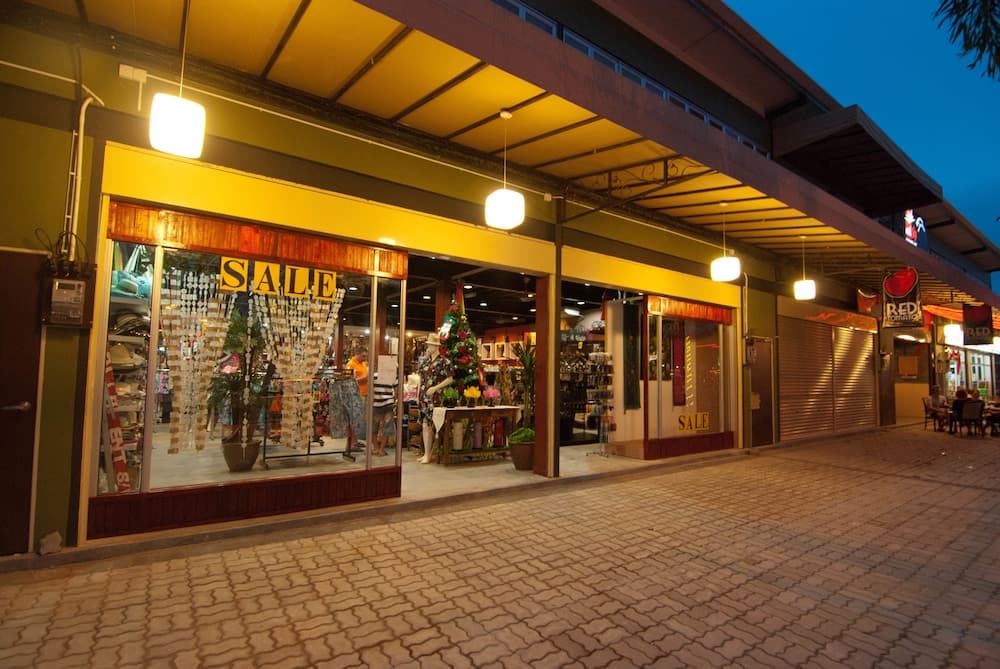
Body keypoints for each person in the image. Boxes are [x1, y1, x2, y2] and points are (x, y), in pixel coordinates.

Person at [416, 333, 454, 464]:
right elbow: (421, 378)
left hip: (436, 397)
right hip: (424, 396)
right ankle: (427, 453)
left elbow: (450, 379)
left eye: (430, 345)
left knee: (432, 424)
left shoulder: (444, 361)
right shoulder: (425, 361)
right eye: (428, 345)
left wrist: (436, 388)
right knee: (425, 425)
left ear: (436, 346)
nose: (428, 347)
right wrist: (418, 394)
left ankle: (429, 454)